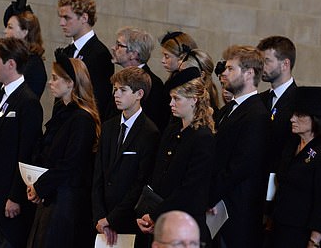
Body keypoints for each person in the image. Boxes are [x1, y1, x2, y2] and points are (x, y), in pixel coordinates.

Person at [26, 49, 101, 248]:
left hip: (66, 200)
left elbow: (71, 163)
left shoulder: (82, 119)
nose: (50, 83)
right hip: (52, 194)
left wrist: (41, 186)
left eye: (55, 78)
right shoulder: (64, 113)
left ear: (70, 83)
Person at [0, 37, 43, 247]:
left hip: (8, 193)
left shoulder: (28, 102)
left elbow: (26, 152)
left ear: (11, 64)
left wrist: (15, 196)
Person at [137, 71, 215, 244]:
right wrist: (148, 213)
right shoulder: (172, 130)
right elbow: (158, 175)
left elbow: (190, 188)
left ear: (194, 99)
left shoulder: (203, 137)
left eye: (177, 99)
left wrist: (155, 214)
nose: (171, 103)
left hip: (185, 224)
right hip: (162, 218)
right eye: (171, 98)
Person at [92, 67, 160, 247]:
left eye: (123, 90)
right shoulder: (108, 127)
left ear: (139, 94)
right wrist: (101, 217)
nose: (116, 94)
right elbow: (98, 175)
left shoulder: (149, 132)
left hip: (128, 219)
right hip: (102, 218)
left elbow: (140, 183)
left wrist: (112, 219)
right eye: (115, 89)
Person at [209, 45, 269, 248]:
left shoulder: (256, 115)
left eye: (231, 69)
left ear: (249, 73)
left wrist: (209, 196)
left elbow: (241, 166)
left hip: (235, 210)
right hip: (218, 206)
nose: (224, 73)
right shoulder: (229, 109)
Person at [271, 87, 321, 248]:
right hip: (280, 225)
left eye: (299, 115)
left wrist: (314, 240)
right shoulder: (291, 143)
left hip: (301, 231)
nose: (292, 119)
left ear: (315, 119)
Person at [57, 0, 113, 116]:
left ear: (84, 18)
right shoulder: (68, 51)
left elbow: (98, 102)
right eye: (60, 17)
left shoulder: (100, 54)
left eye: (67, 17)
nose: (61, 22)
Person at [111, 27, 168, 131]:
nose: (113, 48)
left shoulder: (154, 83)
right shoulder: (120, 78)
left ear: (133, 54)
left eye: (119, 45)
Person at [256, 36, 298, 176]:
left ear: (285, 64)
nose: (262, 66)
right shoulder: (260, 99)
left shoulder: (298, 101)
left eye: (267, 61)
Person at [3, 0, 47, 99]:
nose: (5, 31)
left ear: (24, 32)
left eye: (10, 27)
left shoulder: (34, 66)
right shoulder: (13, 58)